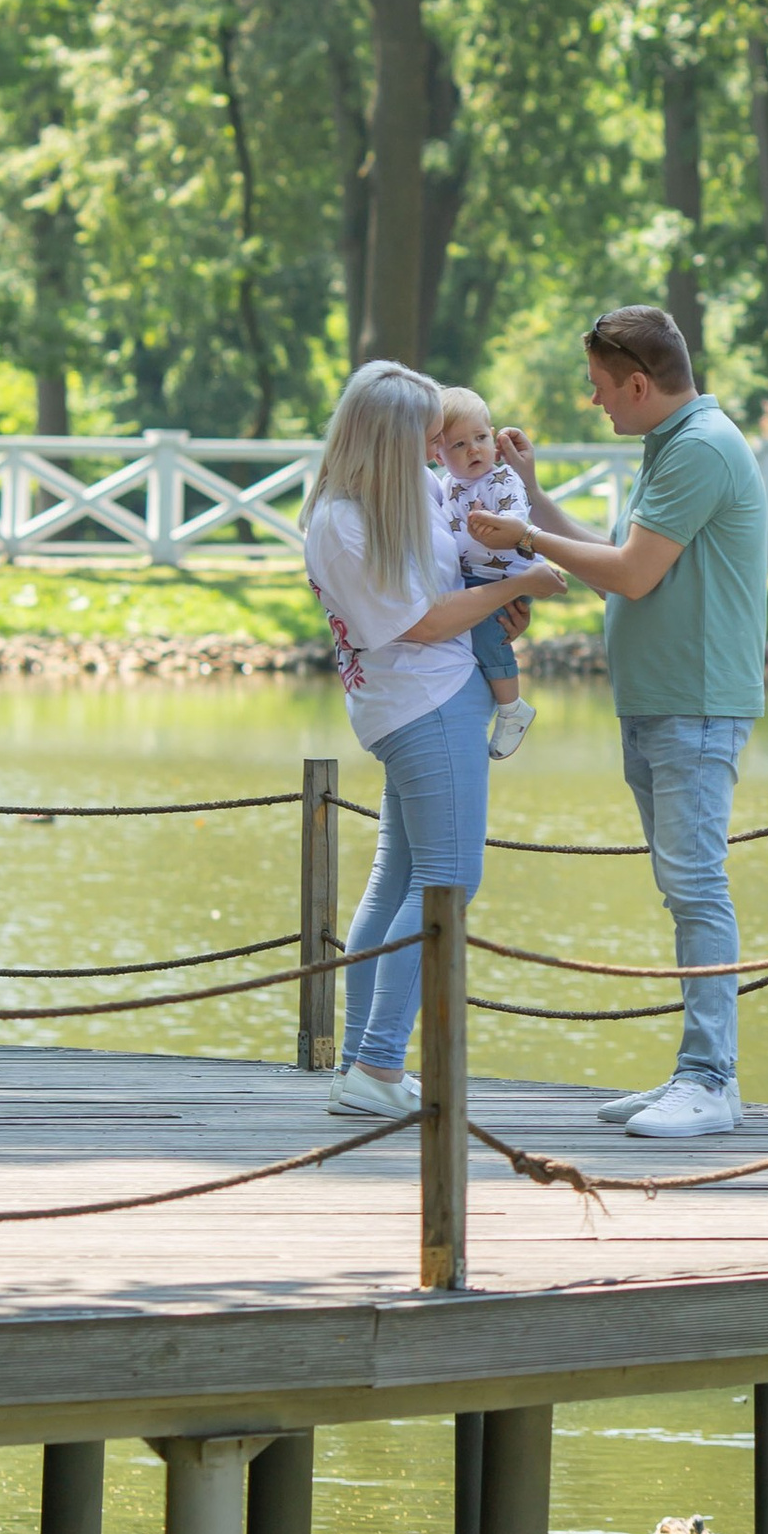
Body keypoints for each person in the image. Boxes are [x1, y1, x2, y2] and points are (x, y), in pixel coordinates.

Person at [471, 303, 768, 1141]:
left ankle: (710, 1081)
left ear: (640, 382)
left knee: (697, 887)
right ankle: (694, 1073)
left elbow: (632, 575)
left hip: (696, 705)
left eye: (602, 389)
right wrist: (531, 498)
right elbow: (616, 566)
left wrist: (525, 531)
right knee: (683, 888)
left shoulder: (701, 448)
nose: (596, 403)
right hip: (659, 701)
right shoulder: (671, 445)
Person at [302, 359, 564, 1117]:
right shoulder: (343, 522)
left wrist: (499, 602)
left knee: (398, 882)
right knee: (449, 881)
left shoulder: (409, 490)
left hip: (429, 694)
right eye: (424, 435)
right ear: (388, 438)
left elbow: (448, 588)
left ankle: (363, 1062)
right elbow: (415, 624)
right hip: (424, 705)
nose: (436, 446)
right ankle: (378, 1065)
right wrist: (520, 585)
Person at [431, 384, 544, 761]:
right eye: (459, 445)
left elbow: (517, 521)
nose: (474, 450)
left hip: (504, 576)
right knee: (469, 631)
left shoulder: (501, 480)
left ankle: (512, 709)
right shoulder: (446, 486)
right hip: (474, 577)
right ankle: (497, 698)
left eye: (480, 438)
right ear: (438, 453)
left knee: (484, 634)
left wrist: (495, 525)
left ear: (494, 440)